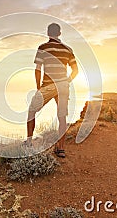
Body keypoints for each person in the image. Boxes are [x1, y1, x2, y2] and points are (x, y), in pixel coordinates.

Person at [26, 23, 78, 158]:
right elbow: (75, 70)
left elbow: (38, 69)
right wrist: (67, 81)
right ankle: (61, 149)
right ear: (59, 33)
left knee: (31, 111)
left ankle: (29, 142)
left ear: (48, 33)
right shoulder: (68, 49)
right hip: (63, 86)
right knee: (62, 117)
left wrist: (39, 88)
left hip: (47, 86)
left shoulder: (43, 48)